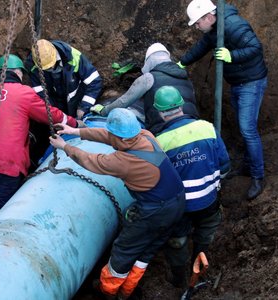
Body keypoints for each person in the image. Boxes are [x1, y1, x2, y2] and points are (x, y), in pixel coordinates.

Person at [49, 108, 186, 300]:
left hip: (156, 212)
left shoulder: (124, 161)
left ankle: (108, 291)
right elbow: (108, 136)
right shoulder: (144, 135)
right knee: (146, 250)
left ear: (119, 137)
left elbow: (91, 160)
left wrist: (65, 147)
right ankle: (128, 290)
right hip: (177, 201)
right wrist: (74, 131)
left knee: (123, 250)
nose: (109, 135)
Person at [0, 54, 80, 214]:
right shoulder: (24, 93)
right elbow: (51, 115)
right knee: (3, 203)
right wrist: (75, 123)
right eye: (22, 73)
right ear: (17, 72)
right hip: (7, 157)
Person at [178, 0, 268, 200]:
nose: (196, 26)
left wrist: (231, 55)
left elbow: (255, 47)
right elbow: (201, 47)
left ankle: (257, 176)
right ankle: (247, 164)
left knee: (248, 129)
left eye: (197, 23)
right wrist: (181, 63)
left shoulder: (233, 25)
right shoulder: (213, 30)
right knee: (243, 127)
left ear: (208, 17)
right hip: (239, 82)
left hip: (252, 82)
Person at [152, 86, 230, 289]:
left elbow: (156, 181)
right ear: (181, 105)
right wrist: (212, 185)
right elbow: (225, 165)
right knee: (205, 233)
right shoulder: (207, 127)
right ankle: (199, 268)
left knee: (177, 241)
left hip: (180, 208)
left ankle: (179, 279)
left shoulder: (159, 142)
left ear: (160, 112)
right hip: (209, 201)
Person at [90, 42, 199, 135]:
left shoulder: (148, 78)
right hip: (194, 127)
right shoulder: (185, 78)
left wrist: (104, 111)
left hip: (165, 130)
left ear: (149, 61)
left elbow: (124, 101)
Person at [27, 39, 103, 120]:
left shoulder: (73, 56)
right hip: (57, 104)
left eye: (52, 64)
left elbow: (94, 82)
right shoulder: (33, 67)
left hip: (77, 101)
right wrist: (56, 115)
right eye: (47, 68)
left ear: (55, 54)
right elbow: (41, 95)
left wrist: (84, 107)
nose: (51, 68)